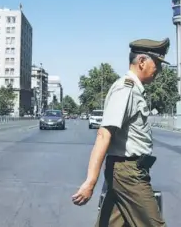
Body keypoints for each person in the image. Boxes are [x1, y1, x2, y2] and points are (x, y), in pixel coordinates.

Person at [72, 38, 169, 227]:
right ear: (142, 62)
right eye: (156, 63)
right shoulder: (126, 90)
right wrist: (90, 182)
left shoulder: (134, 90)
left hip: (128, 171)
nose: (159, 69)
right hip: (129, 173)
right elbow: (104, 134)